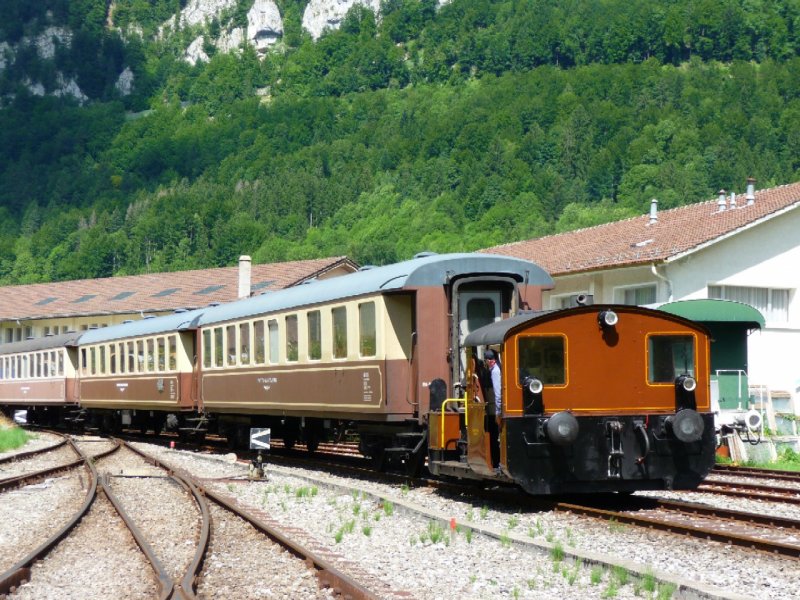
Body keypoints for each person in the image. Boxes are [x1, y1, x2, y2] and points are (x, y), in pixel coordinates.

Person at [482, 349, 502, 473]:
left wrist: (498, 413)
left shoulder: (495, 371)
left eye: (487, 361)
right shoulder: (499, 367)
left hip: (497, 409)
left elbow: (498, 393)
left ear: (490, 361)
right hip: (498, 407)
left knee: (497, 437)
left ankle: (498, 463)